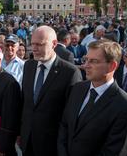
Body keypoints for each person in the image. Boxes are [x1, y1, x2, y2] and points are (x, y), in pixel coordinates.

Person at [57, 40, 127, 156]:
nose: (85, 65)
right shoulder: (77, 89)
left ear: (112, 66)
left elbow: (114, 151)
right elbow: (65, 125)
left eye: (93, 61)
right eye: (86, 60)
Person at [20, 25, 82, 156]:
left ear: (54, 44)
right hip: (27, 140)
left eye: (39, 45)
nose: (34, 49)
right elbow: (26, 102)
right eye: (32, 44)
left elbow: (71, 115)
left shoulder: (70, 72)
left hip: (52, 145)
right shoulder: (28, 65)